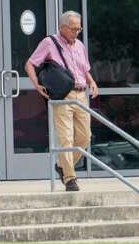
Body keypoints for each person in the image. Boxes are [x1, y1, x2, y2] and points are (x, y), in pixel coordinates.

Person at [25, 11, 99, 192]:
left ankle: (62, 165)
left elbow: (84, 69)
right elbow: (30, 64)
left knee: (84, 137)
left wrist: (92, 82)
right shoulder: (49, 42)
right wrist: (37, 85)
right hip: (63, 95)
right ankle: (70, 178)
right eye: (73, 29)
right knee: (65, 138)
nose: (76, 32)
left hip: (81, 95)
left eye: (79, 28)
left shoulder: (80, 45)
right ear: (62, 27)